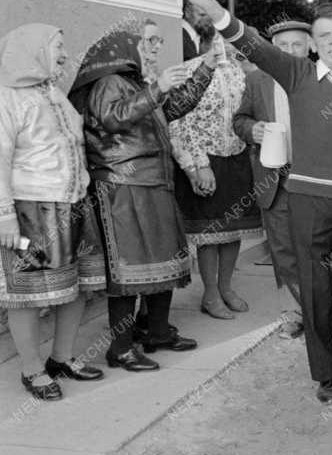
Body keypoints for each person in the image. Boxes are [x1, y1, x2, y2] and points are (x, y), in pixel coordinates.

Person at [178, 0, 332, 404]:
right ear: (314, 44)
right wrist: (211, 6)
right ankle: (326, 375)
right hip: (307, 200)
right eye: (325, 35)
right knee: (314, 290)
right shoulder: (296, 74)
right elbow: (252, 42)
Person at [70, 30, 216, 371]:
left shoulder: (137, 84)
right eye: (147, 43)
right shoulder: (109, 82)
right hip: (124, 187)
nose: (153, 48)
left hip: (153, 183)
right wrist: (158, 87)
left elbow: (174, 106)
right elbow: (113, 118)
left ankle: (157, 332)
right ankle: (120, 349)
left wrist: (206, 68)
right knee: (130, 270)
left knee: (164, 260)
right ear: (123, 49)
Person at [0, 24, 106, 400]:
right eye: (57, 47)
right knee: (25, 294)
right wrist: (4, 216)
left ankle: (61, 357)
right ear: (33, 49)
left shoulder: (55, 94)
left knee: (77, 286)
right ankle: (31, 369)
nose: (63, 54)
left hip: (74, 204)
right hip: (31, 209)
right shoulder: (7, 98)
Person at [169, 35, 262, 319]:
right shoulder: (190, 70)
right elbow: (179, 122)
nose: (234, 44)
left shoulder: (241, 71)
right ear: (212, 40)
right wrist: (197, 166)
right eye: (227, 38)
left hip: (235, 157)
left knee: (232, 231)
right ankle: (210, 294)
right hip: (205, 159)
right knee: (210, 233)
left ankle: (225, 287)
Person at [233, 20, 309, 338]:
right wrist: (253, 130)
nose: (288, 51)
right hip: (274, 179)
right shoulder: (256, 80)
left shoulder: (320, 79)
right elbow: (239, 119)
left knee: (318, 248)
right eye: (281, 46)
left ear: (310, 47)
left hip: (314, 179)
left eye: (296, 44)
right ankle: (292, 312)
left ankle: (322, 309)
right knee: (283, 250)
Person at [138, 19, 164, 84]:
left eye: (160, 41)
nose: (158, 46)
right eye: (153, 39)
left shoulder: (160, 77)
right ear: (141, 43)